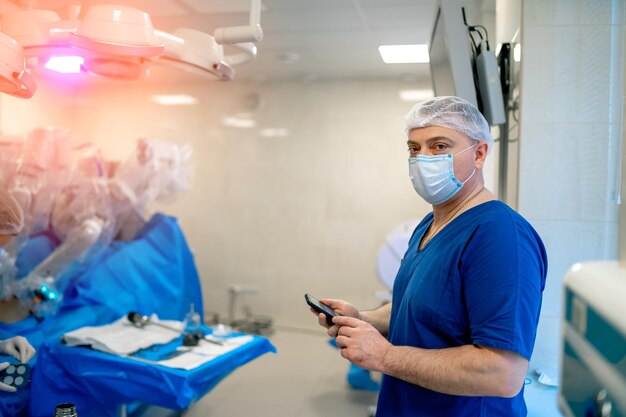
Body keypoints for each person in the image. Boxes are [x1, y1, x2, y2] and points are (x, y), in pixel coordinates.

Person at [313, 96, 547, 416]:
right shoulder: (431, 223)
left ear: (479, 153)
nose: (423, 158)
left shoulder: (500, 236)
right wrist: (363, 318)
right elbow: (422, 304)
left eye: (439, 146)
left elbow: (502, 373)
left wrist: (384, 357)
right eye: (414, 148)